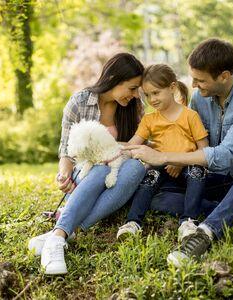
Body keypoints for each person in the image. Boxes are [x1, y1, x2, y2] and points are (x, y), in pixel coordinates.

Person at [124, 39, 233, 267]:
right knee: (155, 191)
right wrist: (168, 157)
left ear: (224, 76)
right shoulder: (200, 99)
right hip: (215, 179)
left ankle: (207, 232)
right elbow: (191, 142)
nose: (193, 85)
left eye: (200, 80)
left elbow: (226, 154)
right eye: (193, 78)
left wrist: (165, 157)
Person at [27, 53, 146, 275]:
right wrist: (64, 175)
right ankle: (60, 236)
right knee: (100, 166)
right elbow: (66, 150)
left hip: (117, 176)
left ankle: (62, 231)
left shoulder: (134, 108)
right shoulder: (79, 102)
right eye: (131, 88)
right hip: (87, 176)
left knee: (136, 168)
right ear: (113, 78)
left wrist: (113, 148)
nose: (135, 94)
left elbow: (138, 148)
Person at [116, 64, 216, 241]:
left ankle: (188, 222)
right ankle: (133, 222)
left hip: (187, 166)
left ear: (172, 88)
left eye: (155, 93)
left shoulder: (190, 116)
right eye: (146, 95)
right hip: (160, 166)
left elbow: (205, 151)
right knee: (150, 176)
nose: (151, 99)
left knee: (197, 170)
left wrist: (181, 162)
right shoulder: (149, 120)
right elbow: (132, 146)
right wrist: (108, 147)